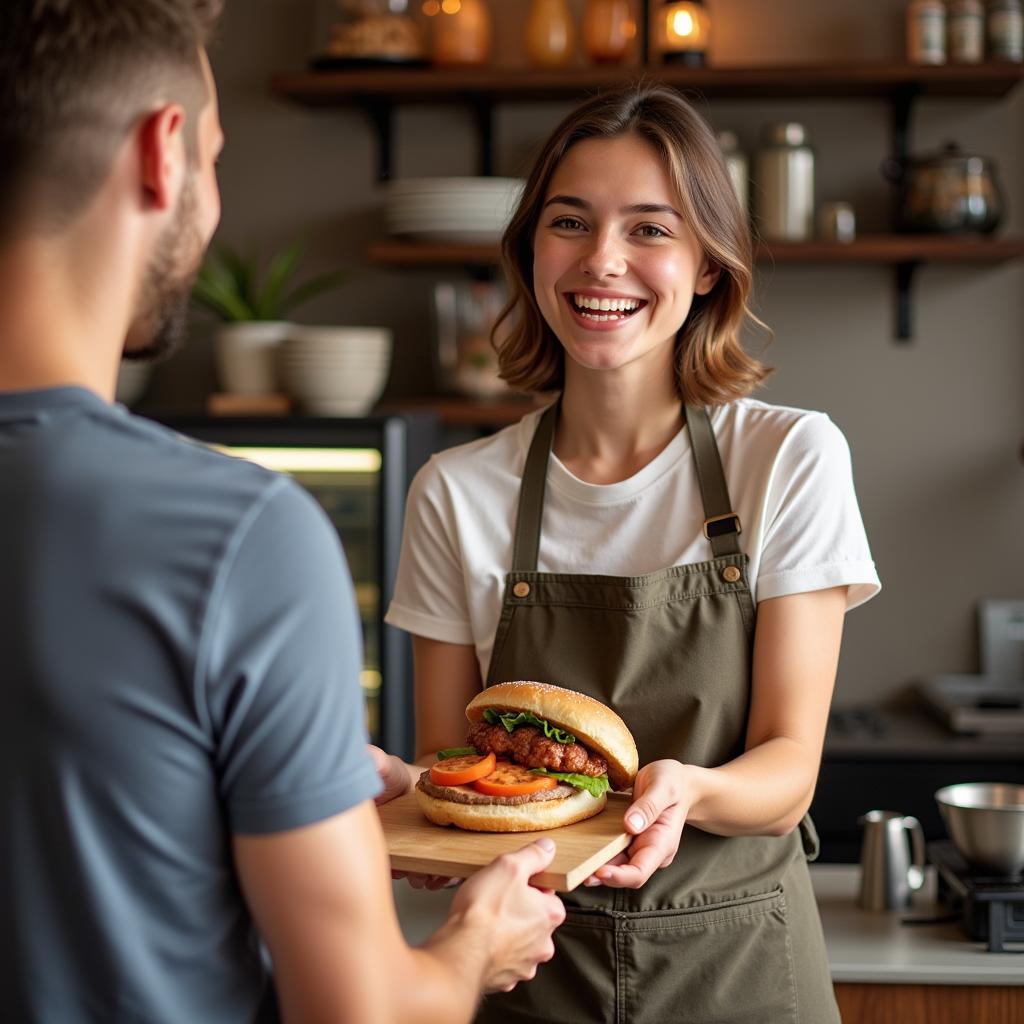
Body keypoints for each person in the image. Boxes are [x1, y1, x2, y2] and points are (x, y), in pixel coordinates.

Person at [0, 3, 565, 1022]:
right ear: (161, 155)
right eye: (217, 158)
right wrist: (474, 945)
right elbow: (358, 1011)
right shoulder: (236, 537)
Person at [382, 84, 881, 1023]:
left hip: (740, 963)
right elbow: (455, 772)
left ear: (705, 267)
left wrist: (684, 791)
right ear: (532, 250)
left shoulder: (787, 457)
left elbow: (788, 774)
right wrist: (399, 797)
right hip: (531, 969)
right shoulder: (455, 490)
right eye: (569, 221)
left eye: (650, 229)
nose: (601, 260)